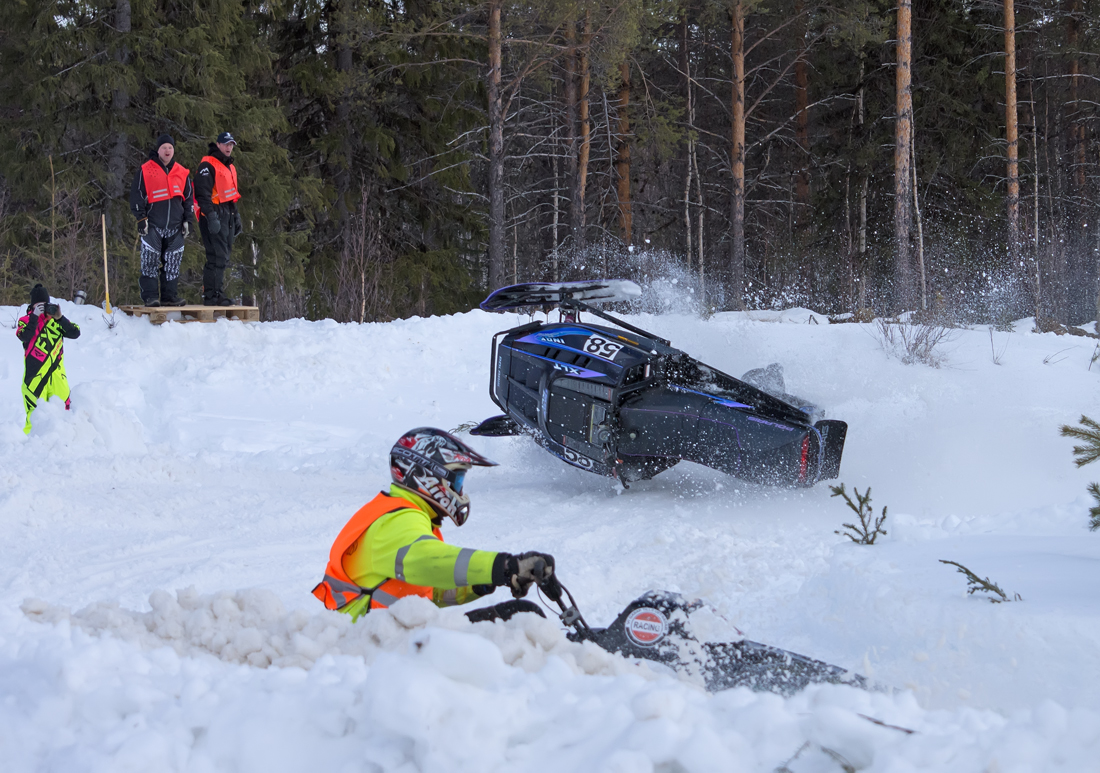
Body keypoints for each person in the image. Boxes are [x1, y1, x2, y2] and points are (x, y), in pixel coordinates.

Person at [312, 427, 556, 623]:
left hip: (386, 639)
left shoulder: (405, 514)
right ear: (427, 476)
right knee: (521, 616)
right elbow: (427, 561)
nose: (460, 490)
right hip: (368, 647)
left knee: (521, 614)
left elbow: (431, 590)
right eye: (457, 479)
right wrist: (503, 566)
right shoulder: (397, 519)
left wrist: (486, 581)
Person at [129, 134, 193, 307]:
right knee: (149, 261)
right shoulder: (145, 170)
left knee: (172, 264)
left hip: (176, 226)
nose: (167, 151)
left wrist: (188, 220)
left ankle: (169, 296)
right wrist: (141, 218)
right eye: (164, 147)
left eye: (170, 148)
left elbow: (188, 198)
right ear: (158, 150)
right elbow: (137, 195)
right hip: (153, 225)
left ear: (174, 150)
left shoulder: (182, 171)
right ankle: (150, 297)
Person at [15, 284, 80, 434]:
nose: (43, 309)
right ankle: (29, 447)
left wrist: (60, 318)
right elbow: (23, 336)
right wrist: (34, 317)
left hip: (57, 376)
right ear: (32, 306)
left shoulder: (56, 321)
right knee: (35, 416)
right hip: (35, 378)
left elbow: (75, 333)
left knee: (64, 413)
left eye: (45, 305)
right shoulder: (25, 320)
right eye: (39, 306)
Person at [194, 131, 243, 306]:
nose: (229, 147)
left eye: (231, 145)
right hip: (213, 212)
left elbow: (231, 195)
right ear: (218, 145)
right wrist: (211, 216)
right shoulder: (208, 165)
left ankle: (217, 292)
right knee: (216, 255)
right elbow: (202, 194)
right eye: (226, 144)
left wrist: (236, 215)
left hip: (227, 212)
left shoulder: (229, 167)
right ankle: (212, 296)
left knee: (223, 256)